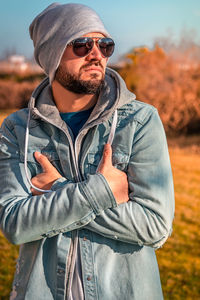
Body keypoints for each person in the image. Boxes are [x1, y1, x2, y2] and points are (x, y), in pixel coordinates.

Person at [0, 3, 174, 300]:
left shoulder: (139, 121)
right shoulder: (17, 129)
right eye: (81, 44)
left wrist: (58, 188)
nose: (97, 55)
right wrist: (101, 192)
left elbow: (155, 226)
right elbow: (15, 224)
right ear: (51, 54)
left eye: (105, 45)